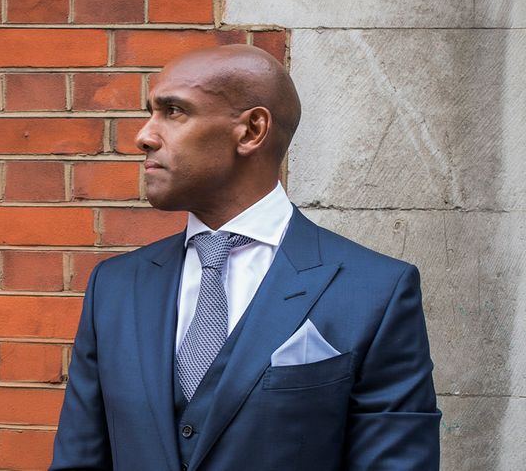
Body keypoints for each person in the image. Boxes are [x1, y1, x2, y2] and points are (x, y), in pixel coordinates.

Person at [50, 44, 440, 471]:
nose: (144, 135)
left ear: (252, 130)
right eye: (151, 112)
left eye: (174, 111)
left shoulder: (375, 291)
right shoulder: (116, 286)